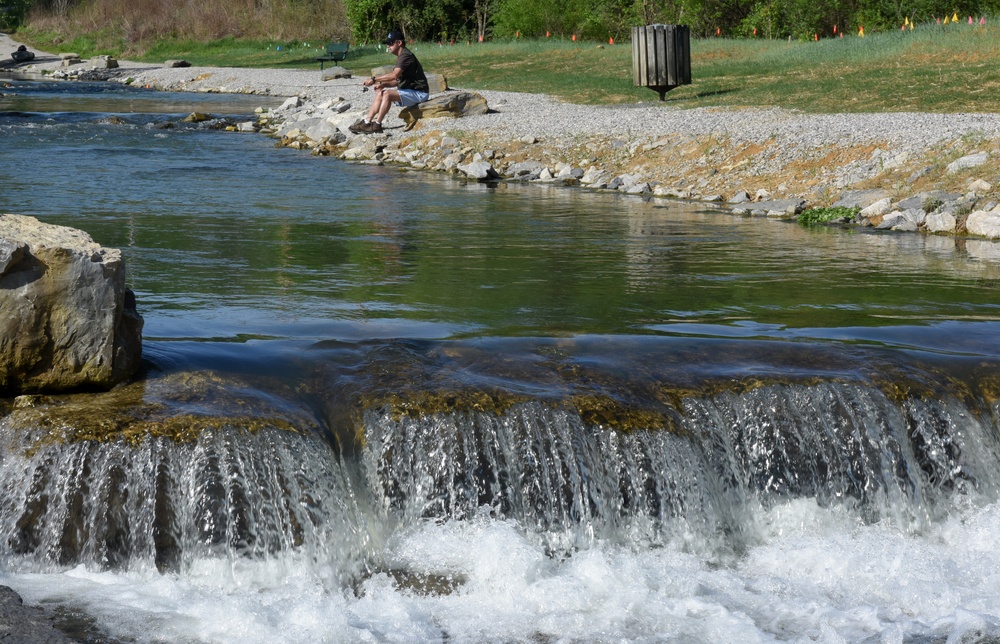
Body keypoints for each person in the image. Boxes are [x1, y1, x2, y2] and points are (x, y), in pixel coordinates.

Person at [350, 30, 429, 134]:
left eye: (390, 43)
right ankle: (366, 122)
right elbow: (398, 81)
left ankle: (377, 125)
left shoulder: (406, 56)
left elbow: (394, 75)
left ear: (399, 43)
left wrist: (373, 79)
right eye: (387, 43)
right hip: (410, 91)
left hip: (420, 93)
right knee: (381, 93)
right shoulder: (402, 56)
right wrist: (383, 85)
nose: (388, 46)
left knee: (387, 94)